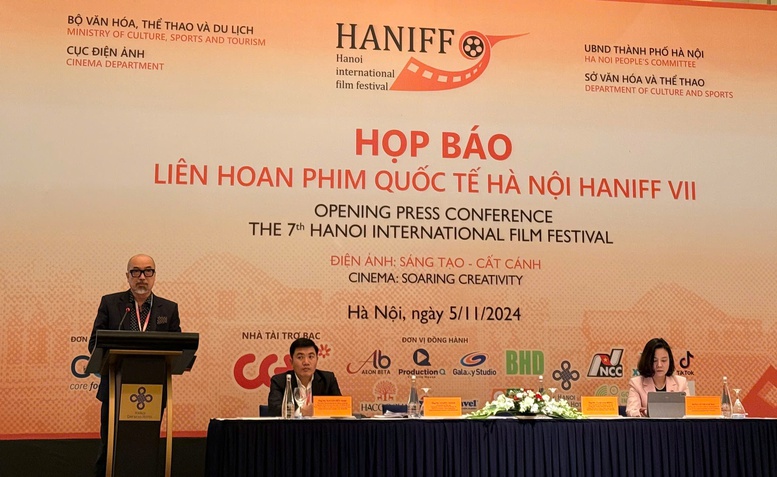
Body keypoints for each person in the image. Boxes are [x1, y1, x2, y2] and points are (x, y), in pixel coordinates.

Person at [88, 254, 181, 477]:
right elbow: (94, 344)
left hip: (153, 390)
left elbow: (178, 347)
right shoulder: (111, 304)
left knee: (145, 448)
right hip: (115, 390)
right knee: (110, 448)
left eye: (148, 271)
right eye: (136, 271)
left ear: (154, 275)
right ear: (127, 276)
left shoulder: (168, 309)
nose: (142, 277)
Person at [267, 338, 341, 417]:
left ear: (317, 359)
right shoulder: (280, 381)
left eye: (311, 357)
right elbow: (274, 410)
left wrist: (319, 410)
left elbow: (340, 408)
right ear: (291, 362)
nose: (306, 362)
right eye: (300, 357)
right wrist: (301, 411)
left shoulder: (328, 379)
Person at [626, 338, 688, 417]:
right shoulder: (636, 383)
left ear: (670, 361)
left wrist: (648, 411)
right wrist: (647, 412)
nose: (659, 365)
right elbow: (631, 411)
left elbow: (688, 411)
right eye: (654, 361)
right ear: (647, 361)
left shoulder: (681, 382)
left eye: (664, 360)